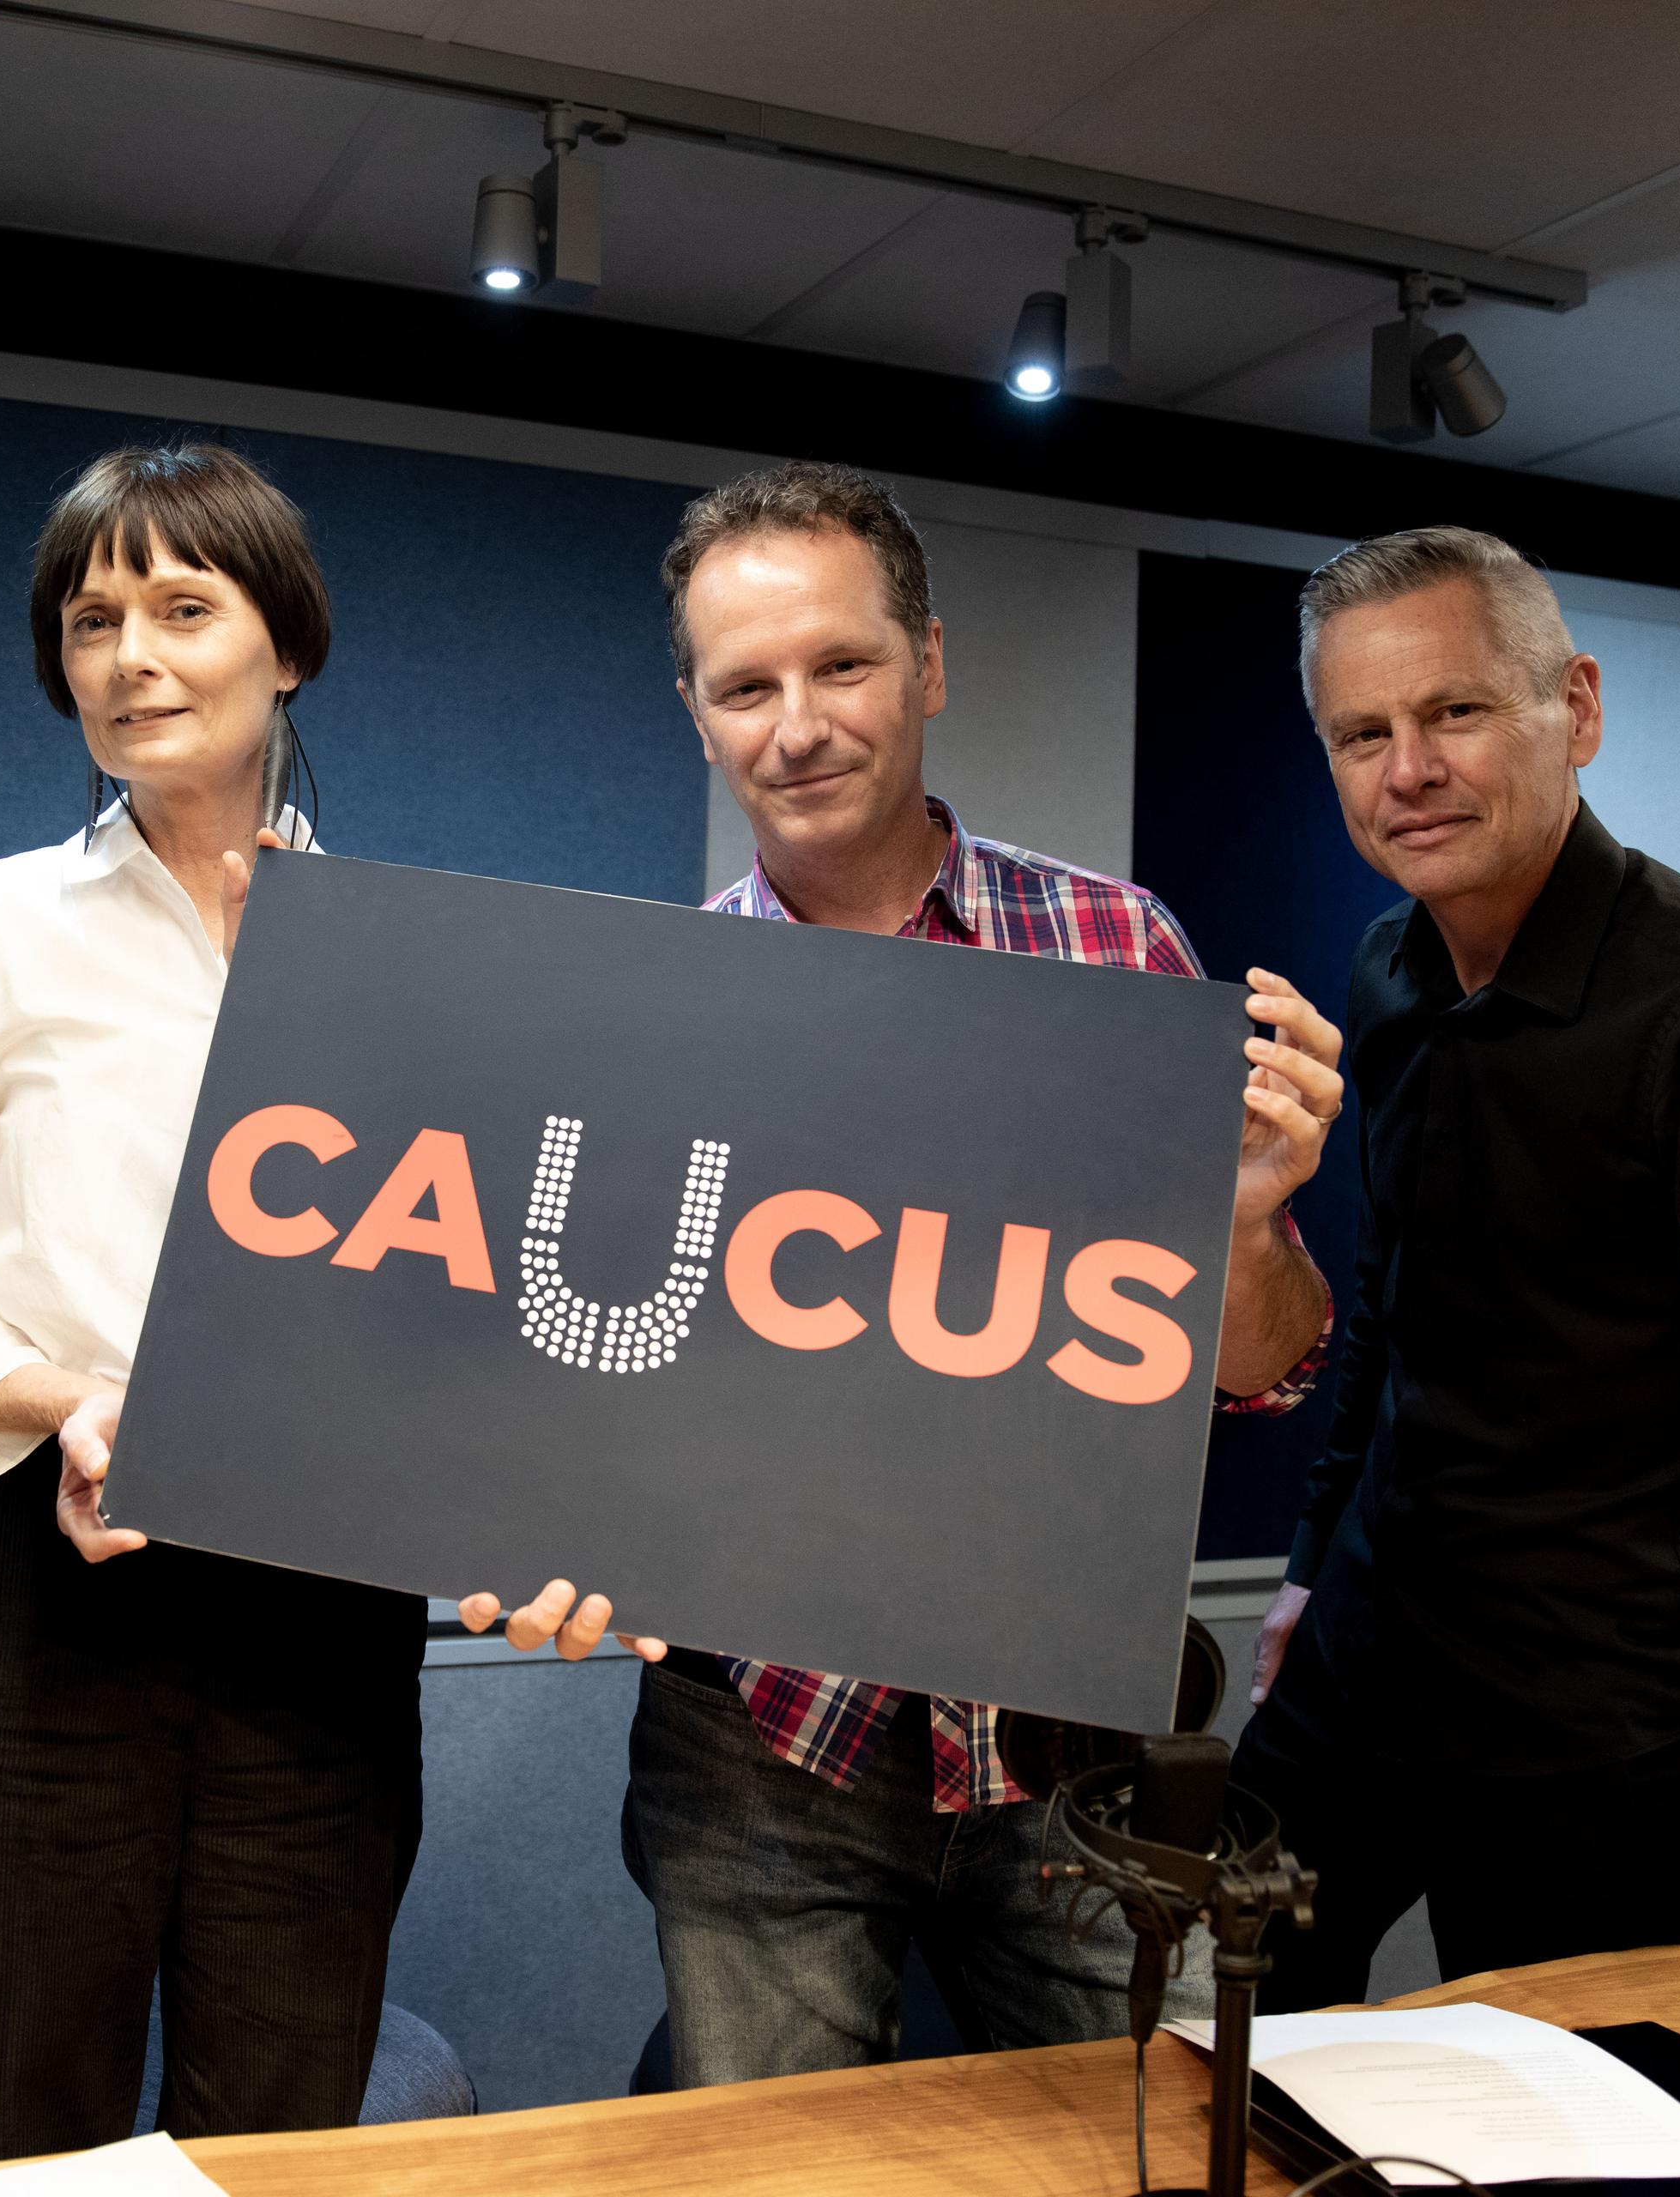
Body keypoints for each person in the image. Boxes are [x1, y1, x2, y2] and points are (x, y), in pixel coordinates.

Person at [487, 460, 1344, 2089]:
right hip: (762, 1749)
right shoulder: (649, 1018)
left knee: (1107, 2156)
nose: (797, 724)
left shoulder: (1116, 951)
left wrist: (1240, 1227)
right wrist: (530, 1526)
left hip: (1067, 1736)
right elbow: (591, 1383)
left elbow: (1259, 1370)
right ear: (699, 712)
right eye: (747, 686)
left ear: (930, 667)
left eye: (843, 666)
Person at [0, 442, 486, 2166]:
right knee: (20, 2124)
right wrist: (75, 1399)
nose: (128, 655)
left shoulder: (417, 957)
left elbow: (461, 1312)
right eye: (91, 617)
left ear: (289, 645)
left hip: (321, 1615)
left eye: (185, 606)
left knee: (280, 2127)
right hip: (46, 1601)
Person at [1236, 526, 1680, 2141]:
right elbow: (1393, 1324)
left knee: (1571, 2149)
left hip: (1604, 1735)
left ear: (1578, 709)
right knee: (1236, 2071)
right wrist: (1304, 1567)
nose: (1407, 770)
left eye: (1456, 714)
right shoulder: (1390, 972)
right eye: (1362, 735)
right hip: (1372, 1663)